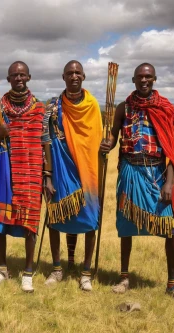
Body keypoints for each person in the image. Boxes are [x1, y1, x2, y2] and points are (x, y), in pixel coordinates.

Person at [100, 63, 174, 303]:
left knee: (169, 228)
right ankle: (124, 277)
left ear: (154, 79)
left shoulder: (165, 108)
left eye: (148, 77)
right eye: (140, 77)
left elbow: (171, 149)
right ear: (133, 80)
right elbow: (114, 133)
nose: (144, 80)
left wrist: (169, 183)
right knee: (126, 226)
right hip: (130, 171)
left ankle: (172, 284)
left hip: (157, 174)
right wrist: (108, 143)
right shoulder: (123, 107)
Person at [0, 61, 45, 293]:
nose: (18, 78)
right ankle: (2, 269)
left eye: (22, 75)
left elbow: (44, 141)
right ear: (8, 79)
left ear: (28, 77)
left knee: (30, 220)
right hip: (3, 168)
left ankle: (28, 272)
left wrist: (46, 176)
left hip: (30, 170)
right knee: (1, 222)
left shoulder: (39, 108)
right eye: (14, 75)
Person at [42, 60, 102, 291]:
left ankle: (85, 272)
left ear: (84, 76)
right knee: (56, 219)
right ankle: (57, 268)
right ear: (63, 76)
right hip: (60, 169)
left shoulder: (92, 105)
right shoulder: (52, 106)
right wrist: (47, 176)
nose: (74, 76)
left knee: (89, 220)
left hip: (86, 170)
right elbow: (45, 140)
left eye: (78, 73)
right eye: (70, 73)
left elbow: (96, 138)